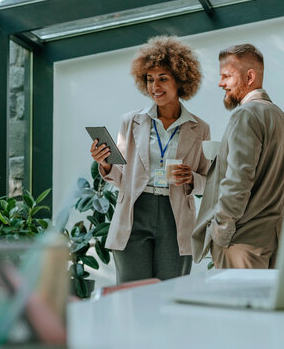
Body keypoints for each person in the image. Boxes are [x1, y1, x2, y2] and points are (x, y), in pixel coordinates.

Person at [90, 36, 211, 283]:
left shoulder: (199, 128)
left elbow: (209, 182)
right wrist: (104, 163)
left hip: (174, 214)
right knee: (132, 292)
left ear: (180, 80)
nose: (155, 86)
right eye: (149, 79)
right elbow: (120, 177)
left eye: (163, 78)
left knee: (170, 291)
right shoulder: (131, 121)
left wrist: (191, 178)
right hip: (135, 210)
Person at [191, 44, 284, 269]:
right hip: (274, 243)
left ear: (250, 76)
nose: (221, 84)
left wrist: (221, 232)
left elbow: (238, 180)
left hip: (241, 244)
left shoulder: (245, 115)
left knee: (235, 305)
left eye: (227, 76)